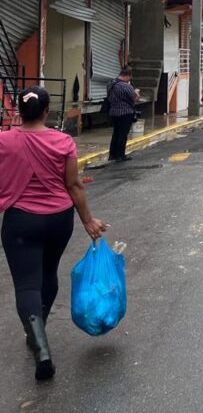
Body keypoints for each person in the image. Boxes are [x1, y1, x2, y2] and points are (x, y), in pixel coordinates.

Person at [0, 87, 107, 381]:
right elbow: (74, 185)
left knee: (26, 285)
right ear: (47, 112)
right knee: (48, 273)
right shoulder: (63, 141)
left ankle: (40, 345)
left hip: (21, 220)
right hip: (59, 220)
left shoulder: (4, 141)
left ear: (19, 112)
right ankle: (39, 330)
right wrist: (88, 220)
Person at [105, 67, 139, 163]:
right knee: (123, 134)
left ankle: (112, 154)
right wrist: (136, 92)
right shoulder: (126, 86)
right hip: (125, 113)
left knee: (115, 133)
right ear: (128, 76)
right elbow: (135, 98)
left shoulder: (110, 84)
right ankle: (120, 155)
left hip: (113, 112)